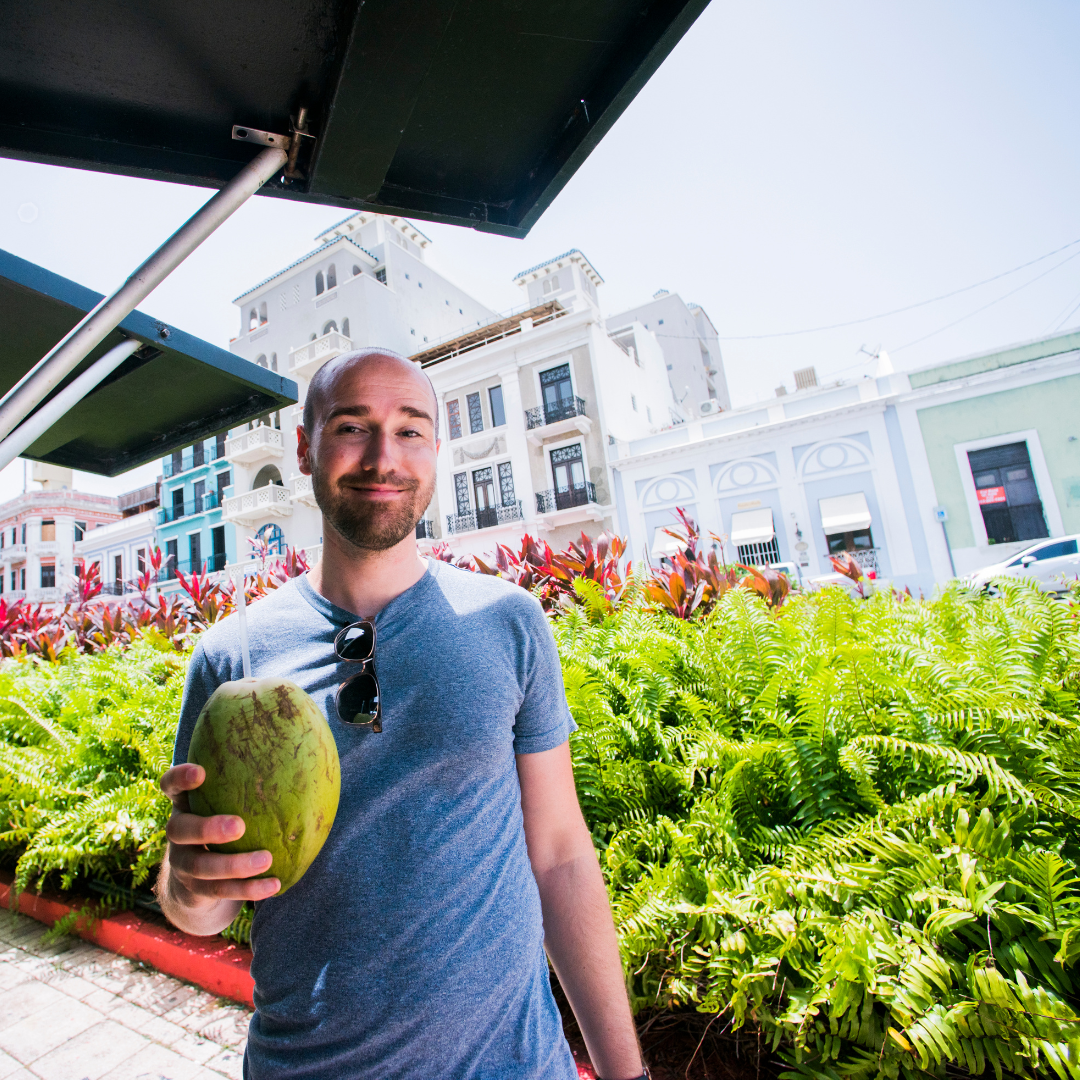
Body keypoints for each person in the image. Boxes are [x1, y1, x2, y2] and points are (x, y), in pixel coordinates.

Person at [155, 348, 648, 1080]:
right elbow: (199, 898)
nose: (384, 456)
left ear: (436, 450)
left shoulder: (508, 622)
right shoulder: (232, 656)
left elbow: (561, 856)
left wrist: (625, 1072)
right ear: (304, 447)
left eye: (411, 430)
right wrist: (189, 886)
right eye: (353, 426)